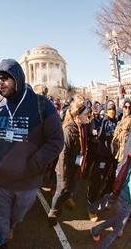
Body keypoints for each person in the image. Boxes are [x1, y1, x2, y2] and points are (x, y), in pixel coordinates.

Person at [0, 59, 64, 248]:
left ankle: (9, 228)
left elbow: (56, 141)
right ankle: (0, 238)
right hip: (0, 180)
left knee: (17, 216)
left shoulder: (41, 104)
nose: (1, 82)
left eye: (6, 78)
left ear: (18, 78)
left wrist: (32, 165)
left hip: (27, 180)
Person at [47, 94, 88, 226]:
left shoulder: (82, 127)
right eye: (85, 114)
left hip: (75, 166)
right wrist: (64, 176)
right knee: (61, 191)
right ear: (77, 116)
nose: (87, 117)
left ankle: (58, 206)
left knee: (71, 191)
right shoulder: (70, 130)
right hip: (64, 168)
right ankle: (52, 212)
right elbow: (63, 155)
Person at [90, 131, 131, 248]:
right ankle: (92, 209)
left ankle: (95, 229)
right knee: (118, 225)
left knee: (119, 222)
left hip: (124, 187)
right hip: (125, 188)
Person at [87, 99, 118, 221]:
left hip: (111, 157)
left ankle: (98, 201)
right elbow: (99, 136)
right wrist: (104, 122)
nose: (111, 111)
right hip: (101, 155)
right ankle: (90, 202)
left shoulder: (116, 122)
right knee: (97, 179)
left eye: (113, 109)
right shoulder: (103, 121)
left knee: (105, 181)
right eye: (109, 109)